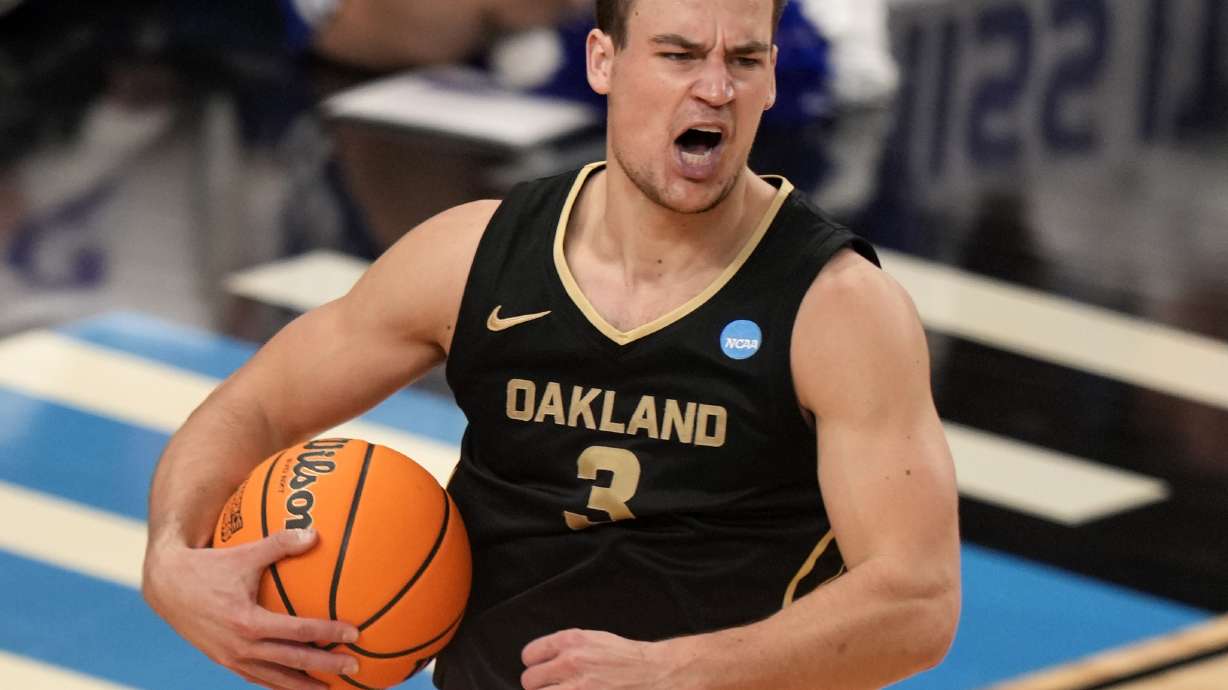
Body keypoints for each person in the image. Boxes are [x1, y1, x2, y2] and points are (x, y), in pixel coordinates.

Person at [141, 0, 961, 688]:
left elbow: (917, 601)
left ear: (773, 75)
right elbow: (257, 405)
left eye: (744, 60)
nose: (715, 89)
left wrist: (678, 671)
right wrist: (173, 558)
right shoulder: (474, 257)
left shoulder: (836, 308)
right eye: (679, 54)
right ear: (604, 61)